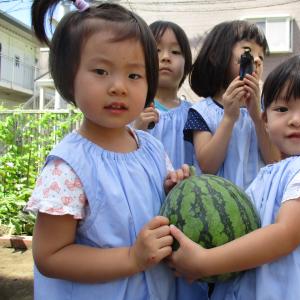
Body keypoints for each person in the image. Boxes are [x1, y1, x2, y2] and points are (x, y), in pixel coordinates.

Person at [26, 1, 192, 299]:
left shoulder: (153, 149)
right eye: (101, 71)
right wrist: (131, 258)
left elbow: (154, 206)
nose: (119, 87)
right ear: (68, 77)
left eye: (134, 75)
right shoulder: (69, 166)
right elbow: (49, 256)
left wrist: (173, 189)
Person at [168, 54, 300, 300]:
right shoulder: (267, 176)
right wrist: (184, 190)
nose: (296, 120)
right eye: (282, 109)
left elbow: (285, 235)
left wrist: (205, 262)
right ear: (265, 119)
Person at [183, 20, 280, 190]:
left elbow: (275, 160)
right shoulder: (202, 111)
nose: (257, 60)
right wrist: (228, 118)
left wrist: (258, 118)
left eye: (261, 57)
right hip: (219, 205)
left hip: (259, 204)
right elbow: (207, 166)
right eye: (248, 51)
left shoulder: (267, 110)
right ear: (215, 55)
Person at [134, 20, 194, 170]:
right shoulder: (133, 111)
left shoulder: (195, 115)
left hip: (187, 191)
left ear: (186, 66)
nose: (166, 57)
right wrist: (138, 131)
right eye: (156, 50)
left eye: (175, 52)